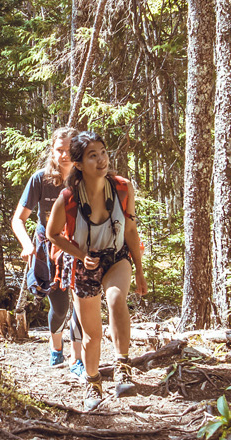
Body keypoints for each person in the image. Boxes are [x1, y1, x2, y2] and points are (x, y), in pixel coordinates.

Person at [45, 131, 147, 383]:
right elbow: (53, 234)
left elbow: (131, 230)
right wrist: (81, 255)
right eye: (93, 156)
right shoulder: (67, 199)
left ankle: (123, 365)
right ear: (78, 164)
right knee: (92, 335)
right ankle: (93, 383)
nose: (102, 159)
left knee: (115, 298)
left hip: (117, 257)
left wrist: (141, 273)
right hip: (84, 266)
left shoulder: (122, 188)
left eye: (103, 152)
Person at [14, 127, 83, 368]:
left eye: (69, 150)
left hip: (80, 247)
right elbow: (18, 219)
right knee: (61, 306)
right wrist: (27, 245)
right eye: (59, 150)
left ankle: (78, 359)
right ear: (52, 151)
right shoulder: (40, 180)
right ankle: (56, 348)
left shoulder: (87, 178)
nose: (65, 155)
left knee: (83, 304)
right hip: (49, 248)